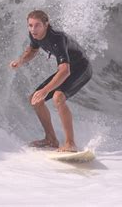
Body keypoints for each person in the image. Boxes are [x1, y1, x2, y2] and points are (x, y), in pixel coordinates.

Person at [9, 10, 92, 152]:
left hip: (81, 68)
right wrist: (21, 61)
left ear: (46, 24)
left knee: (58, 97)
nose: (33, 29)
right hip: (69, 69)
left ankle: (70, 143)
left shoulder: (57, 39)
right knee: (35, 100)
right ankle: (51, 139)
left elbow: (65, 71)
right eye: (30, 25)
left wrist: (45, 90)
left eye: (37, 25)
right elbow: (33, 49)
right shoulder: (35, 34)